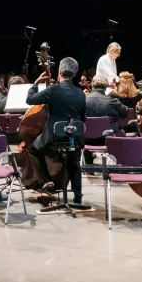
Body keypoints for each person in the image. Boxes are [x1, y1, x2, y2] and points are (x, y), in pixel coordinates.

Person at [26, 57, 87, 204]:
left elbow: (30, 99)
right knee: (74, 160)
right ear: (74, 74)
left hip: (54, 137)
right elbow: (83, 119)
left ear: (59, 71)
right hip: (74, 136)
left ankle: (47, 181)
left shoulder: (53, 90)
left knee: (33, 149)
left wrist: (35, 83)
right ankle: (77, 196)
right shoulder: (81, 94)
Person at [84, 74, 127, 164]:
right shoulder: (113, 101)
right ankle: (120, 164)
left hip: (86, 139)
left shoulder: (83, 100)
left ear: (92, 84)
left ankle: (89, 167)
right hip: (110, 139)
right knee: (122, 132)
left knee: (86, 131)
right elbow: (124, 113)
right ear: (106, 86)